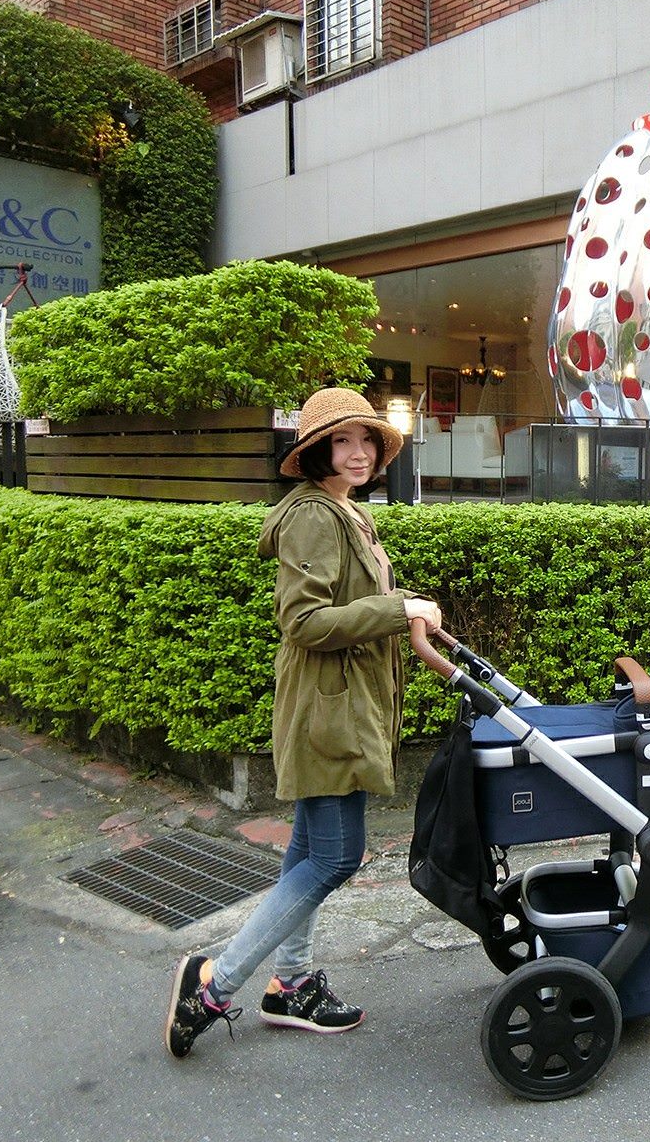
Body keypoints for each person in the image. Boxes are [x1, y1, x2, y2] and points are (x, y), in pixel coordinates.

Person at [165, 387, 443, 1059]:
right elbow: (304, 621)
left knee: (306, 849)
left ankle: (289, 983)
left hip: (341, 703)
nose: (358, 452)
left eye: (368, 440)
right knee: (337, 855)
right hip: (328, 709)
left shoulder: (345, 513)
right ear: (316, 449)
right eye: (343, 440)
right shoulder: (314, 516)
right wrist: (401, 605)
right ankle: (213, 984)